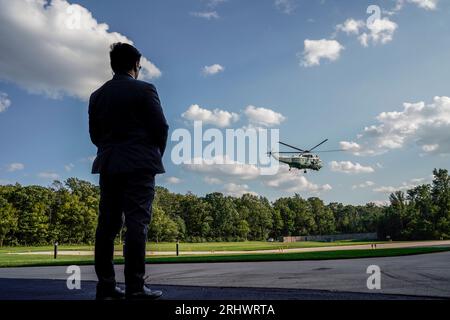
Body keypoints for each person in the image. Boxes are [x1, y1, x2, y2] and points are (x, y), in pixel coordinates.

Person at [88, 42, 169, 300]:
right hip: (139, 165)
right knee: (137, 224)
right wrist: (153, 155)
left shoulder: (97, 95)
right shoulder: (145, 89)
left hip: (109, 163)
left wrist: (111, 149)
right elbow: (161, 128)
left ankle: (106, 286)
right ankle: (135, 286)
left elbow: (94, 136)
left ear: (113, 65)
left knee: (107, 226)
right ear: (136, 65)